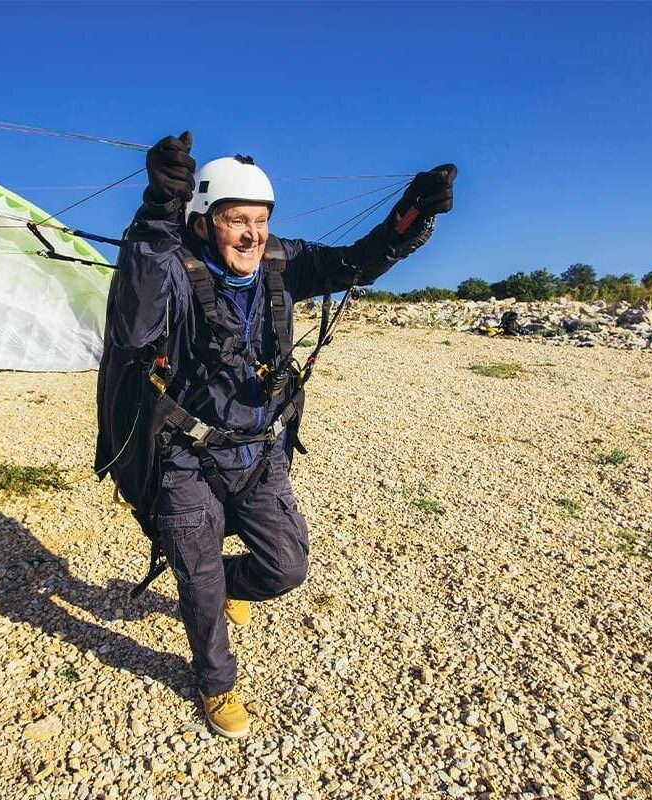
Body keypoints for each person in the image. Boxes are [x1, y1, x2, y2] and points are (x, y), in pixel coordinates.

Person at [95, 131, 455, 738]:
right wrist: (155, 214)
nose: (251, 235)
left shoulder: (282, 264)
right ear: (205, 222)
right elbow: (133, 325)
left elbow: (356, 262)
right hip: (184, 456)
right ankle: (214, 682)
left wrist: (411, 214)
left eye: (260, 221)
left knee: (286, 568)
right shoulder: (169, 268)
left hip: (260, 452)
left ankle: (208, 579)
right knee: (203, 582)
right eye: (236, 220)